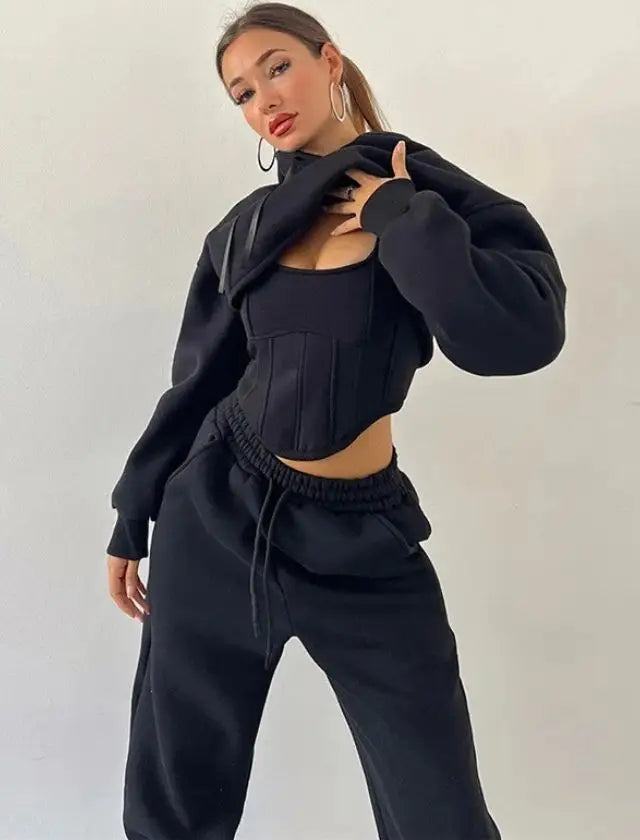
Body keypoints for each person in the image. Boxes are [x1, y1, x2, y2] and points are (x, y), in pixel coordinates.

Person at [105, 3, 567, 839]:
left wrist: (403, 220)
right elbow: (199, 381)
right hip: (218, 518)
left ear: (330, 61)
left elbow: (519, 335)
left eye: (277, 68)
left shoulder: (421, 192)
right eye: (242, 93)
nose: (265, 100)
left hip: (363, 546)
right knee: (175, 805)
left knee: (441, 815)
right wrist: (134, 511)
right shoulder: (243, 230)